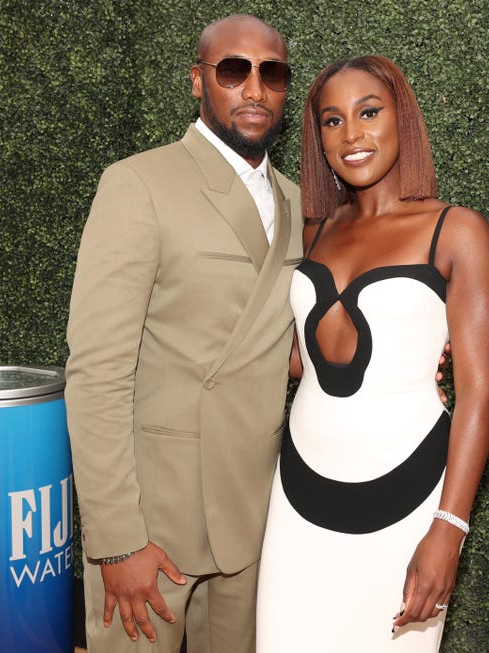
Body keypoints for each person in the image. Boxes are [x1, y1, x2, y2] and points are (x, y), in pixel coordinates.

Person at [65, 14, 302, 653]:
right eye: (234, 70)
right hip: (155, 521)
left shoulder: (297, 201)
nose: (254, 89)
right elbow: (96, 373)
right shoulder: (138, 182)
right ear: (198, 82)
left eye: (272, 73)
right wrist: (117, 539)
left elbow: (295, 346)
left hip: (254, 514)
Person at [256, 55, 489, 652]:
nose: (352, 135)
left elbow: (477, 395)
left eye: (369, 112)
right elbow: (302, 359)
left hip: (410, 502)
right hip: (295, 501)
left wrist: (448, 531)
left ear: (403, 118)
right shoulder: (314, 230)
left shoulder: (458, 231)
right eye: (332, 121)